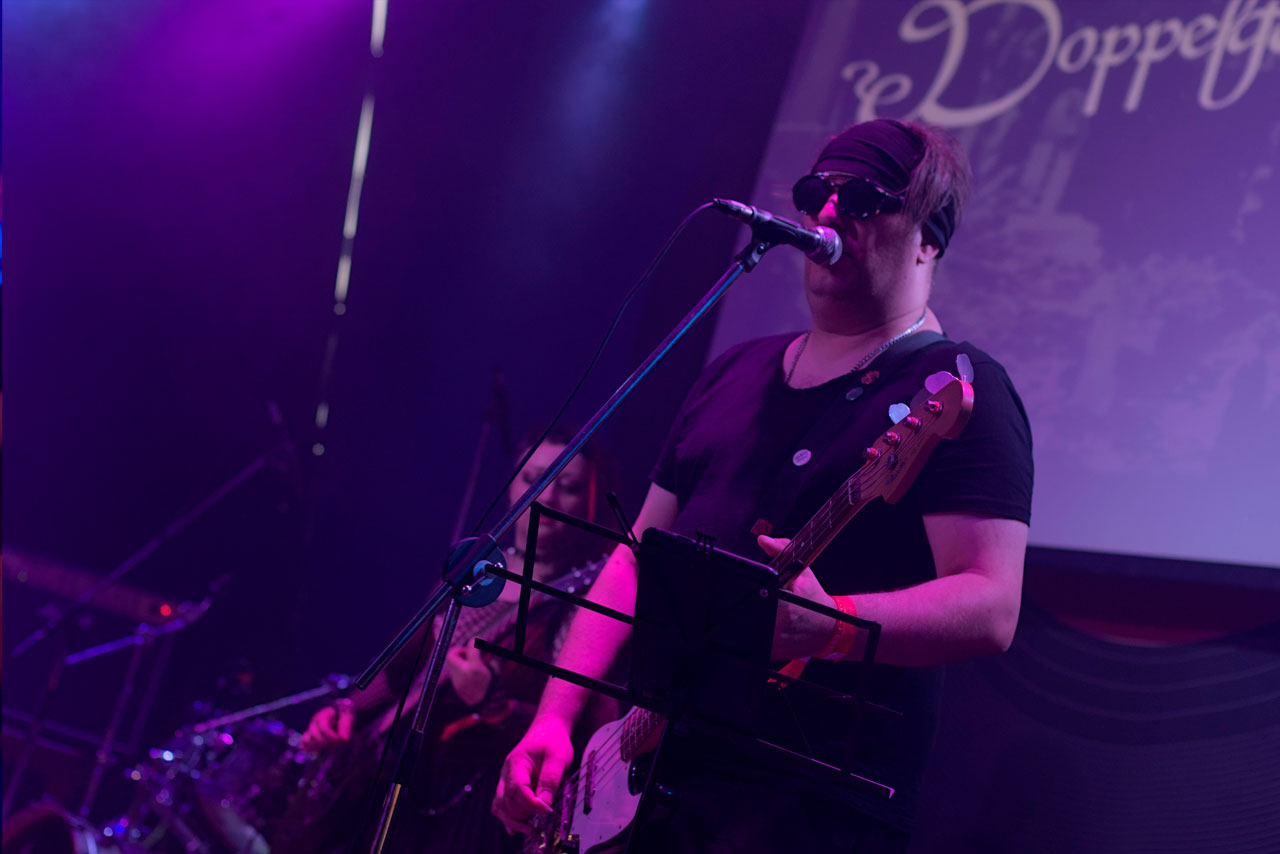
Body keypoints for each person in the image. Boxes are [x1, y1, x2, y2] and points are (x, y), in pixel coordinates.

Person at [491, 118, 1034, 852]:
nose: (829, 212)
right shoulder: (734, 371)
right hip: (654, 774)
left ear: (927, 239)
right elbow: (635, 557)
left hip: (808, 802)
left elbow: (991, 605)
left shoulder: (955, 387)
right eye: (816, 193)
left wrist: (835, 624)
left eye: (863, 198)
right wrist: (555, 718)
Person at [284, 429, 618, 853]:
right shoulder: (474, 569)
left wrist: (494, 703)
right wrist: (348, 709)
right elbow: (406, 672)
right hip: (381, 774)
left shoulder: (585, 599)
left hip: (464, 806)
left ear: (590, 500)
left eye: (567, 486)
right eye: (533, 478)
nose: (546, 496)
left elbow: (585, 732)